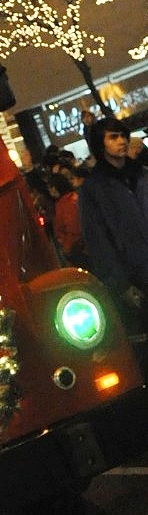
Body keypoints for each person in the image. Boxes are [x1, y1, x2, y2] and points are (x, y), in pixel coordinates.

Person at [77, 116, 148, 348]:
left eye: (123, 136)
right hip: (136, 274)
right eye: (113, 137)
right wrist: (121, 284)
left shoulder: (142, 175)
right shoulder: (93, 189)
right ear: (101, 143)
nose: (121, 141)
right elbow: (98, 240)